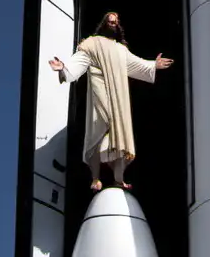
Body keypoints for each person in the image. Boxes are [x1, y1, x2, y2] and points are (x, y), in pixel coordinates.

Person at [49, 12, 173, 191]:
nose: (113, 23)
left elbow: (137, 64)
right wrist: (64, 67)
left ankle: (118, 177)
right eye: (109, 21)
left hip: (118, 94)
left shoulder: (121, 50)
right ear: (104, 23)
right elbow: (80, 60)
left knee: (119, 130)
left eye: (115, 22)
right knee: (101, 124)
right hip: (100, 87)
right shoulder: (92, 43)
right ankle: (95, 177)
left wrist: (153, 64)